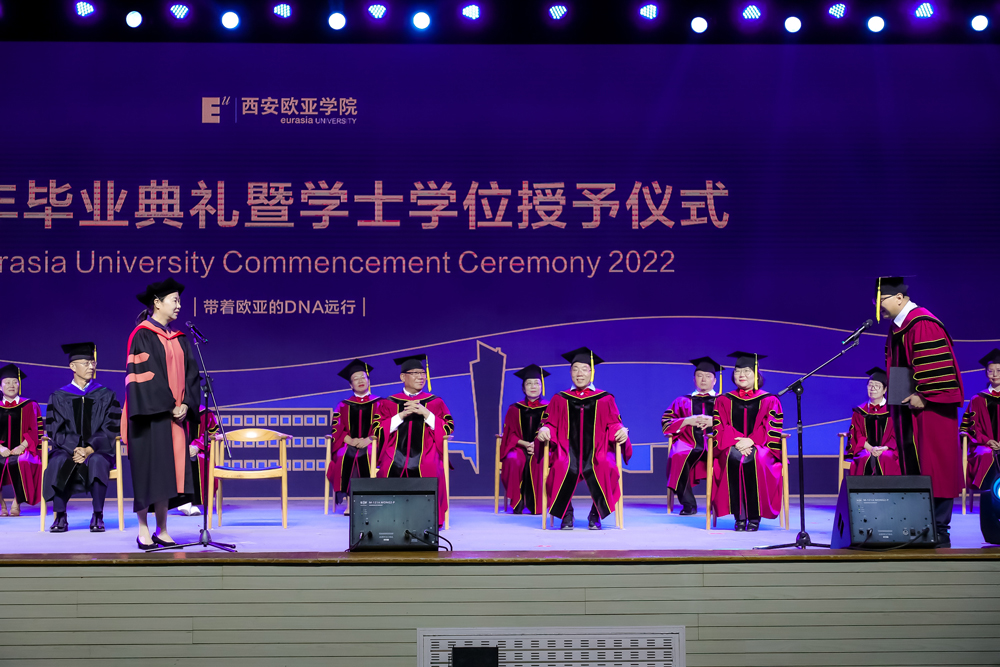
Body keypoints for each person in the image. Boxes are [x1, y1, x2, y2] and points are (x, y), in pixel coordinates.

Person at [878, 276, 963, 547]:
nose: (878, 306)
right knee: (916, 466)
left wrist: (924, 395)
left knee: (936, 465)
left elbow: (937, 368)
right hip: (908, 410)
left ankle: (939, 530)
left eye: (882, 299)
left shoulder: (922, 323)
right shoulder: (899, 327)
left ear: (899, 298)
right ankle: (919, 527)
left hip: (931, 411)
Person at [122, 277, 200, 550]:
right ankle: (143, 529)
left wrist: (186, 404)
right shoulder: (142, 335)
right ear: (157, 303)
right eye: (174, 300)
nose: (179, 305)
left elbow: (192, 377)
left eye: (179, 301)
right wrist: (170, 406)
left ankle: (163, 530)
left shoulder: (180, 339)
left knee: (168, 471)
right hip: (149, 416)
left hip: (175, 417)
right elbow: (147, 376)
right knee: (148, 471)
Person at [535, 347, 632, 530]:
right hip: (567, 451)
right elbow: (550, 422)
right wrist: (545, 429)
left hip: (597, 451)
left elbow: (614, 423)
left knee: (606, 465)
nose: (579, 374)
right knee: (559, 465)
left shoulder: (605, 399)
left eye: (584, 369)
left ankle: (596, 513)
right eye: (575, 369)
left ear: (591, 372)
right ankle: (566, 512)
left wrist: (621, 430)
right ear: (570, 372)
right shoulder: (560, 399)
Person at [42, 343, 121, 532]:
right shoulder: (59, 396)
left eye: (93, 363)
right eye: (86, 363)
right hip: (67, 449)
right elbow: (54, 429)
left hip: (98, 449)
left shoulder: (107, 395)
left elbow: (111, 426)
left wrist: (89, 449)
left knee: (98, 461)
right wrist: (75, 449)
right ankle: (60, 515)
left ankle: (98, 515)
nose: (91, 366)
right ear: (72, 366)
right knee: (58, 460)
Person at [373, 354, 454, 527]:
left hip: (427, 451)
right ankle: (389, 517)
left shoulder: (435, 402)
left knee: (430, 467)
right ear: (403, 377)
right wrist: (401, 415)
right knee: (387, 468)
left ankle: (428, 518)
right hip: (395, 451)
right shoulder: (389, 402)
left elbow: (448, 427)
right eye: (415, 373)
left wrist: (426, 413)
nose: (420, 377)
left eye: (422, 373)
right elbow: (376, 429)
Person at [710, 352, 784, 532]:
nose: (741, 375)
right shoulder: (723, 400)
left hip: (761, 446)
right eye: (737, 371)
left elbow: (771, 428)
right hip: (731, 444)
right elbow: (720, 426)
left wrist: (751, 440)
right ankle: (739, 516)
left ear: (756, 375)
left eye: (746, 371)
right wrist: (737, 442)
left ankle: (754, 516)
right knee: (733, 457)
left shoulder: (770, 400)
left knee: (756, 459)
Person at [662, 357, 720, 515]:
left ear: (714, 381)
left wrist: (713, 421)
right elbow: (666, 422)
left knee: (728, 457)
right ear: (694, 379)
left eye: (708, 376)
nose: (703, 379)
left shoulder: (723, 401)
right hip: (688, 442)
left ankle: (719, 503)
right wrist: (687, 420)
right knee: (678, 455)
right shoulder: (682, 401)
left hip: (716, 443)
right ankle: (688, 504)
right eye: (700, 376)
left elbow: (732, 423)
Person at [327, 359, 379, 516]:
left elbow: (384, 425)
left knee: (365, 454)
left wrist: (369, 439)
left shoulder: (380, 403)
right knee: (345, 455)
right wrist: (349, 440)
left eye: (363, 377)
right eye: (355, 378)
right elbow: (336, 428)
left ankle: (367, 500)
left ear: (368, 380)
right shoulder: (343, 405)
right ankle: (351, 502)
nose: (360, 380)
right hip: (348, 443)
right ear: (351, 385)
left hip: (373, 444)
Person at [498, 364, 550, 514]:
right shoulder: (514, 409)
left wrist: (537, 444)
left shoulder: (550, 407)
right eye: (529, 383)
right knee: (512, 459)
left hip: (542, 448)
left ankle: (538, 504)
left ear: (541, 386)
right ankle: (518, 501)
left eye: (536, 383)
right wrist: (526, 444)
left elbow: (553, 430)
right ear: (523, 388)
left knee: (540, 460)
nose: (533, 387)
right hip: (519, 447)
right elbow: (510, 434)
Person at [0, 364, 41, 517]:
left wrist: (22, 446)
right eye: (7, 382)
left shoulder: (30, 405)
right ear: (0, 387)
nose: (11, 385)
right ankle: (2, 503)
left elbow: (35, 430)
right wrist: (0, 448)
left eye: (15, 382)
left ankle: (16, 502)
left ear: (19, 385)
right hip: (1, 449)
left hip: (24, 448)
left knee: (22, 461)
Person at [844, 367, 900, 477]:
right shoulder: (859, 411)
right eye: (870, 385)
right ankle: (861, 489)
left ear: (885, 390)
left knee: (886, 457)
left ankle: (888, 488)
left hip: (888, 450)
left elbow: (896, 434)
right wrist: (871, 449)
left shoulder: (893, 411)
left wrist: (884, 448)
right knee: (864, 457)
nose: (873, 388)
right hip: (865, 449)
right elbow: (857, 434)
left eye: (877, 386)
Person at [960, 349, 1000, 493]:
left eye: (999, 371)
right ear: (986, 373)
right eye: (990, 371)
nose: (995, 375)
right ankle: (987, 494)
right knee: (986, 454)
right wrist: (988, 441)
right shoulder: (977, 399)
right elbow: (972, 428)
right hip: (982, 444)